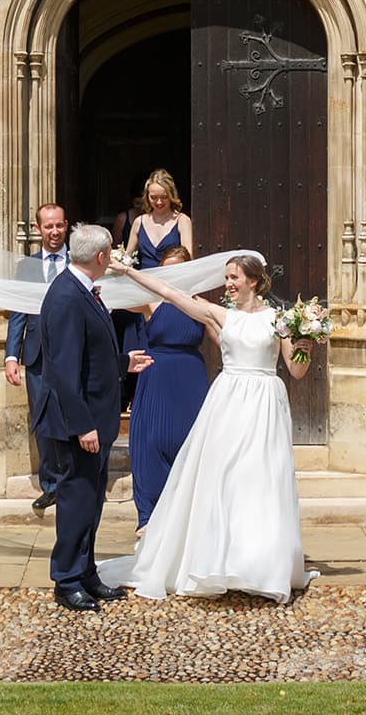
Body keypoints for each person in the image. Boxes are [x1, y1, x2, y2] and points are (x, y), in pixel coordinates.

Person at [98, 253, 315, 603]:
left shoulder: (280, 319)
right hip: (228, 401)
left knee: (261, 479)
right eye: (227, 277)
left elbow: (297, 371)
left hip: (264, 402)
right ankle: (217, 559)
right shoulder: (220, 314)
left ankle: (259, 563)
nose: (227, 283)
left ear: (254, 281)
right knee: (223, 477)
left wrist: (305, 348)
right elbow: (169, 293)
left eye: (234, 278)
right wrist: (127, 271)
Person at [30, 223, 150, 612]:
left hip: (94, 418)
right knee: (76, 499)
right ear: (101, 257)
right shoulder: (66, 296)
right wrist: (83, 425)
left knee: (91, 500)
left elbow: (86, 358)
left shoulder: (84, 292)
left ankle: (86, 572)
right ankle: (66, 580)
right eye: (111, 252)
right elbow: (63, 369)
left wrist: (121, 362)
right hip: (75, 423)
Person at [124, 244, 211, 533]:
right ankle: (148, 515)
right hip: (156, 372)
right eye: (167, 269)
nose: (172, 274)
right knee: (149, 441)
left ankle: (187, 515)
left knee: (189, 441)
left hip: (190, 375)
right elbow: (112, 297)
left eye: (178, 268)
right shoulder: (150, 300)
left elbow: (224, 335)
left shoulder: (198, 302)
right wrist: (119, 266)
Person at [4, 204, 72, 512]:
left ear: (66, 225)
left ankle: (73, 481)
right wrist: (11, 356)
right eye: (48, 227)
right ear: (38, 229)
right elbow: (18, 312)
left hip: (73, 353)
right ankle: (51, 484)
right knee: (42, 419)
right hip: (38, 354)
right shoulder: (27, 267)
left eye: (59, 226)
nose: (55, 232)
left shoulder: (79, 262)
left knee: (73, 416)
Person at [128, 169, 194, 268]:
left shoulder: (182, 221)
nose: (159, 202)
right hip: (144, 279)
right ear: (147, 196)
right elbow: (127, 258)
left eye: (164, 197)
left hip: (171, 279)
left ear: (171, 195)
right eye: (153, 197)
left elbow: (189, 258)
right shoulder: (139, 222)